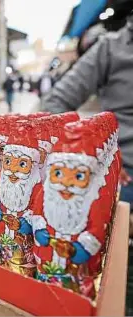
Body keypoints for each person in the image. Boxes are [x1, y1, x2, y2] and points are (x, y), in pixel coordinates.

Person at [42, 14, 133, 314]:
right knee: (117, 281)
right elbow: (56, 104)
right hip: (124, 181)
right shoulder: (112, 48)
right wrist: (99, 162)